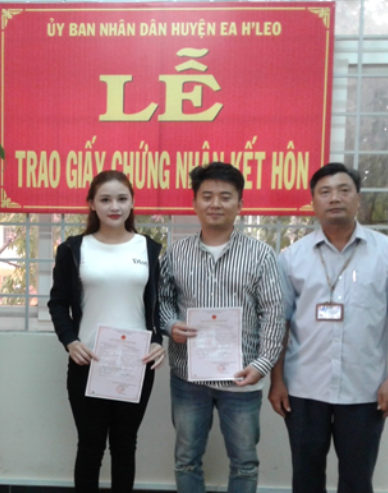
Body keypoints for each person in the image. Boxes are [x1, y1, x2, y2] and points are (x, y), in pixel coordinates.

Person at [271, 163, 388, 493]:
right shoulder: (291, 258)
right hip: (304, 388)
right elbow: (280, 323)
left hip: (365, 389)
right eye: (325, 192)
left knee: (357, 480)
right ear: (313, 202)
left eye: (344, 190)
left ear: (358, 198)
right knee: (306, 478)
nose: (335, 198)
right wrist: (277, 380)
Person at [159, 162, 285, 493]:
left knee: (244, 463)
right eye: (207, 196)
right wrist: (170, 325)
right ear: (194, 203)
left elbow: (274, 313)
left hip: (242, 377)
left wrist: (262, 365)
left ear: (240, 204)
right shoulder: (176, 253)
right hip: (188, 377)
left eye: (225, 197)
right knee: (186, 459)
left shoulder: (261, 255)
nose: (215, 203)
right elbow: (162, 301)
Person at [48, 170, 167, 493]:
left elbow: (156, 306)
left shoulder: (148, 249)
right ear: (92, 204)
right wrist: (70, 341)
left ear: (132, 202)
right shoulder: (73, 249)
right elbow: (57, 303)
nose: (114, 207)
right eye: (105, 199)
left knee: (125, 446)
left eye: (122, 199)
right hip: (88, 361)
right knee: (90, 446)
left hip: (135, 363)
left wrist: (158, 341)